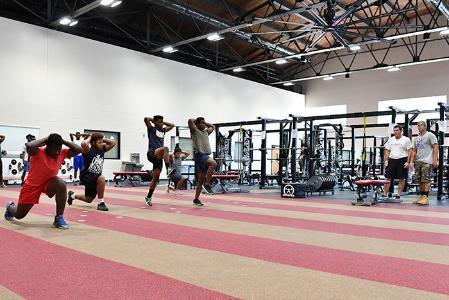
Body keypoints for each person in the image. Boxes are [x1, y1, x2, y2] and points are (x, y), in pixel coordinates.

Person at [4, 134, 82, 229]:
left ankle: (59, 217)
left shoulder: (62, 153)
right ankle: (10, 207)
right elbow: (29, 146)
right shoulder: (37, 152)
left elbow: (79, 150)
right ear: (47, 146)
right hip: (32, 186)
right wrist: (46, 138)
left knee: (61, 184)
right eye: (55, 149)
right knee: (19, 215)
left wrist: (63, 141)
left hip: (49, 183)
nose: (57, 152)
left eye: (59, 148)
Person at [67, 133, 116, 211]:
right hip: (87, 177)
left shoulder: (102, 150)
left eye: (102, 142)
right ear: (93, 143)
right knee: (102, 178)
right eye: (99, 143)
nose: (101, 144)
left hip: (95, 178)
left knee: (88, 199)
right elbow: (83, 143)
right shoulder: (88, 151)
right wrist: (91, 136)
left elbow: (113, 143)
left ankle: (72, 195)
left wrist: (101, 139)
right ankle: (101, 203)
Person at [143, 115, 174, 206]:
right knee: (165, 148)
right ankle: (168, 169)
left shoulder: (163, 130)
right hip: (152, 153)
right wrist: (153, 121)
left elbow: (172, 125)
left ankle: (148, 197)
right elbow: (146, 119)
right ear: (155, 122)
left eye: (162, 122)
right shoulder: (151, 129)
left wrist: (162, 122)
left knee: (156, 177)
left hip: (159, 158)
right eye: (159, 122)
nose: (161, 124)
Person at [407, 121, 439, 205]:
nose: (419, 127)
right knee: (419, 180)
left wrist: (435, 160)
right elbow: (414, 151)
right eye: (418, 126)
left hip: (427, 161)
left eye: (420, 125)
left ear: (425, 126)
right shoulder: (416, 138)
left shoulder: (430, 135)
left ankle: (426, 197)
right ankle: (421, 196)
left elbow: (435, 147)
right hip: (418, 161)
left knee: (425, 179)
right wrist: (410, 161)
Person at [188, 117, 217, 206]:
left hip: (205, 156)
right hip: (199, 156)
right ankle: (207, 183)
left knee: (200, 180)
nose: (204, 125)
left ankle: (196, 199)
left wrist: (204, 122)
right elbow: (190, 120)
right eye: (201, 123)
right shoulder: (194, 131)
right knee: (213, 163)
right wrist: (196, 120)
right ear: (196, 124)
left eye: (204, 123)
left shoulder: (206, 132)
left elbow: (212, 126)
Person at [380, 125, 412, 201]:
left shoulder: (406, 139)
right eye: (394, 130)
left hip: (402, 159)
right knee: (388, 178)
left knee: (402, 178)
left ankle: (398, 195)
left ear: (401, 131)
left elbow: (410, 150)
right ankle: (385, 194)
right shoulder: (391, 139)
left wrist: (408, 162)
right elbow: (387, 150)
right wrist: (386, 160)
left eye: (397, 130)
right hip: (392, 159)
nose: (395, 132)